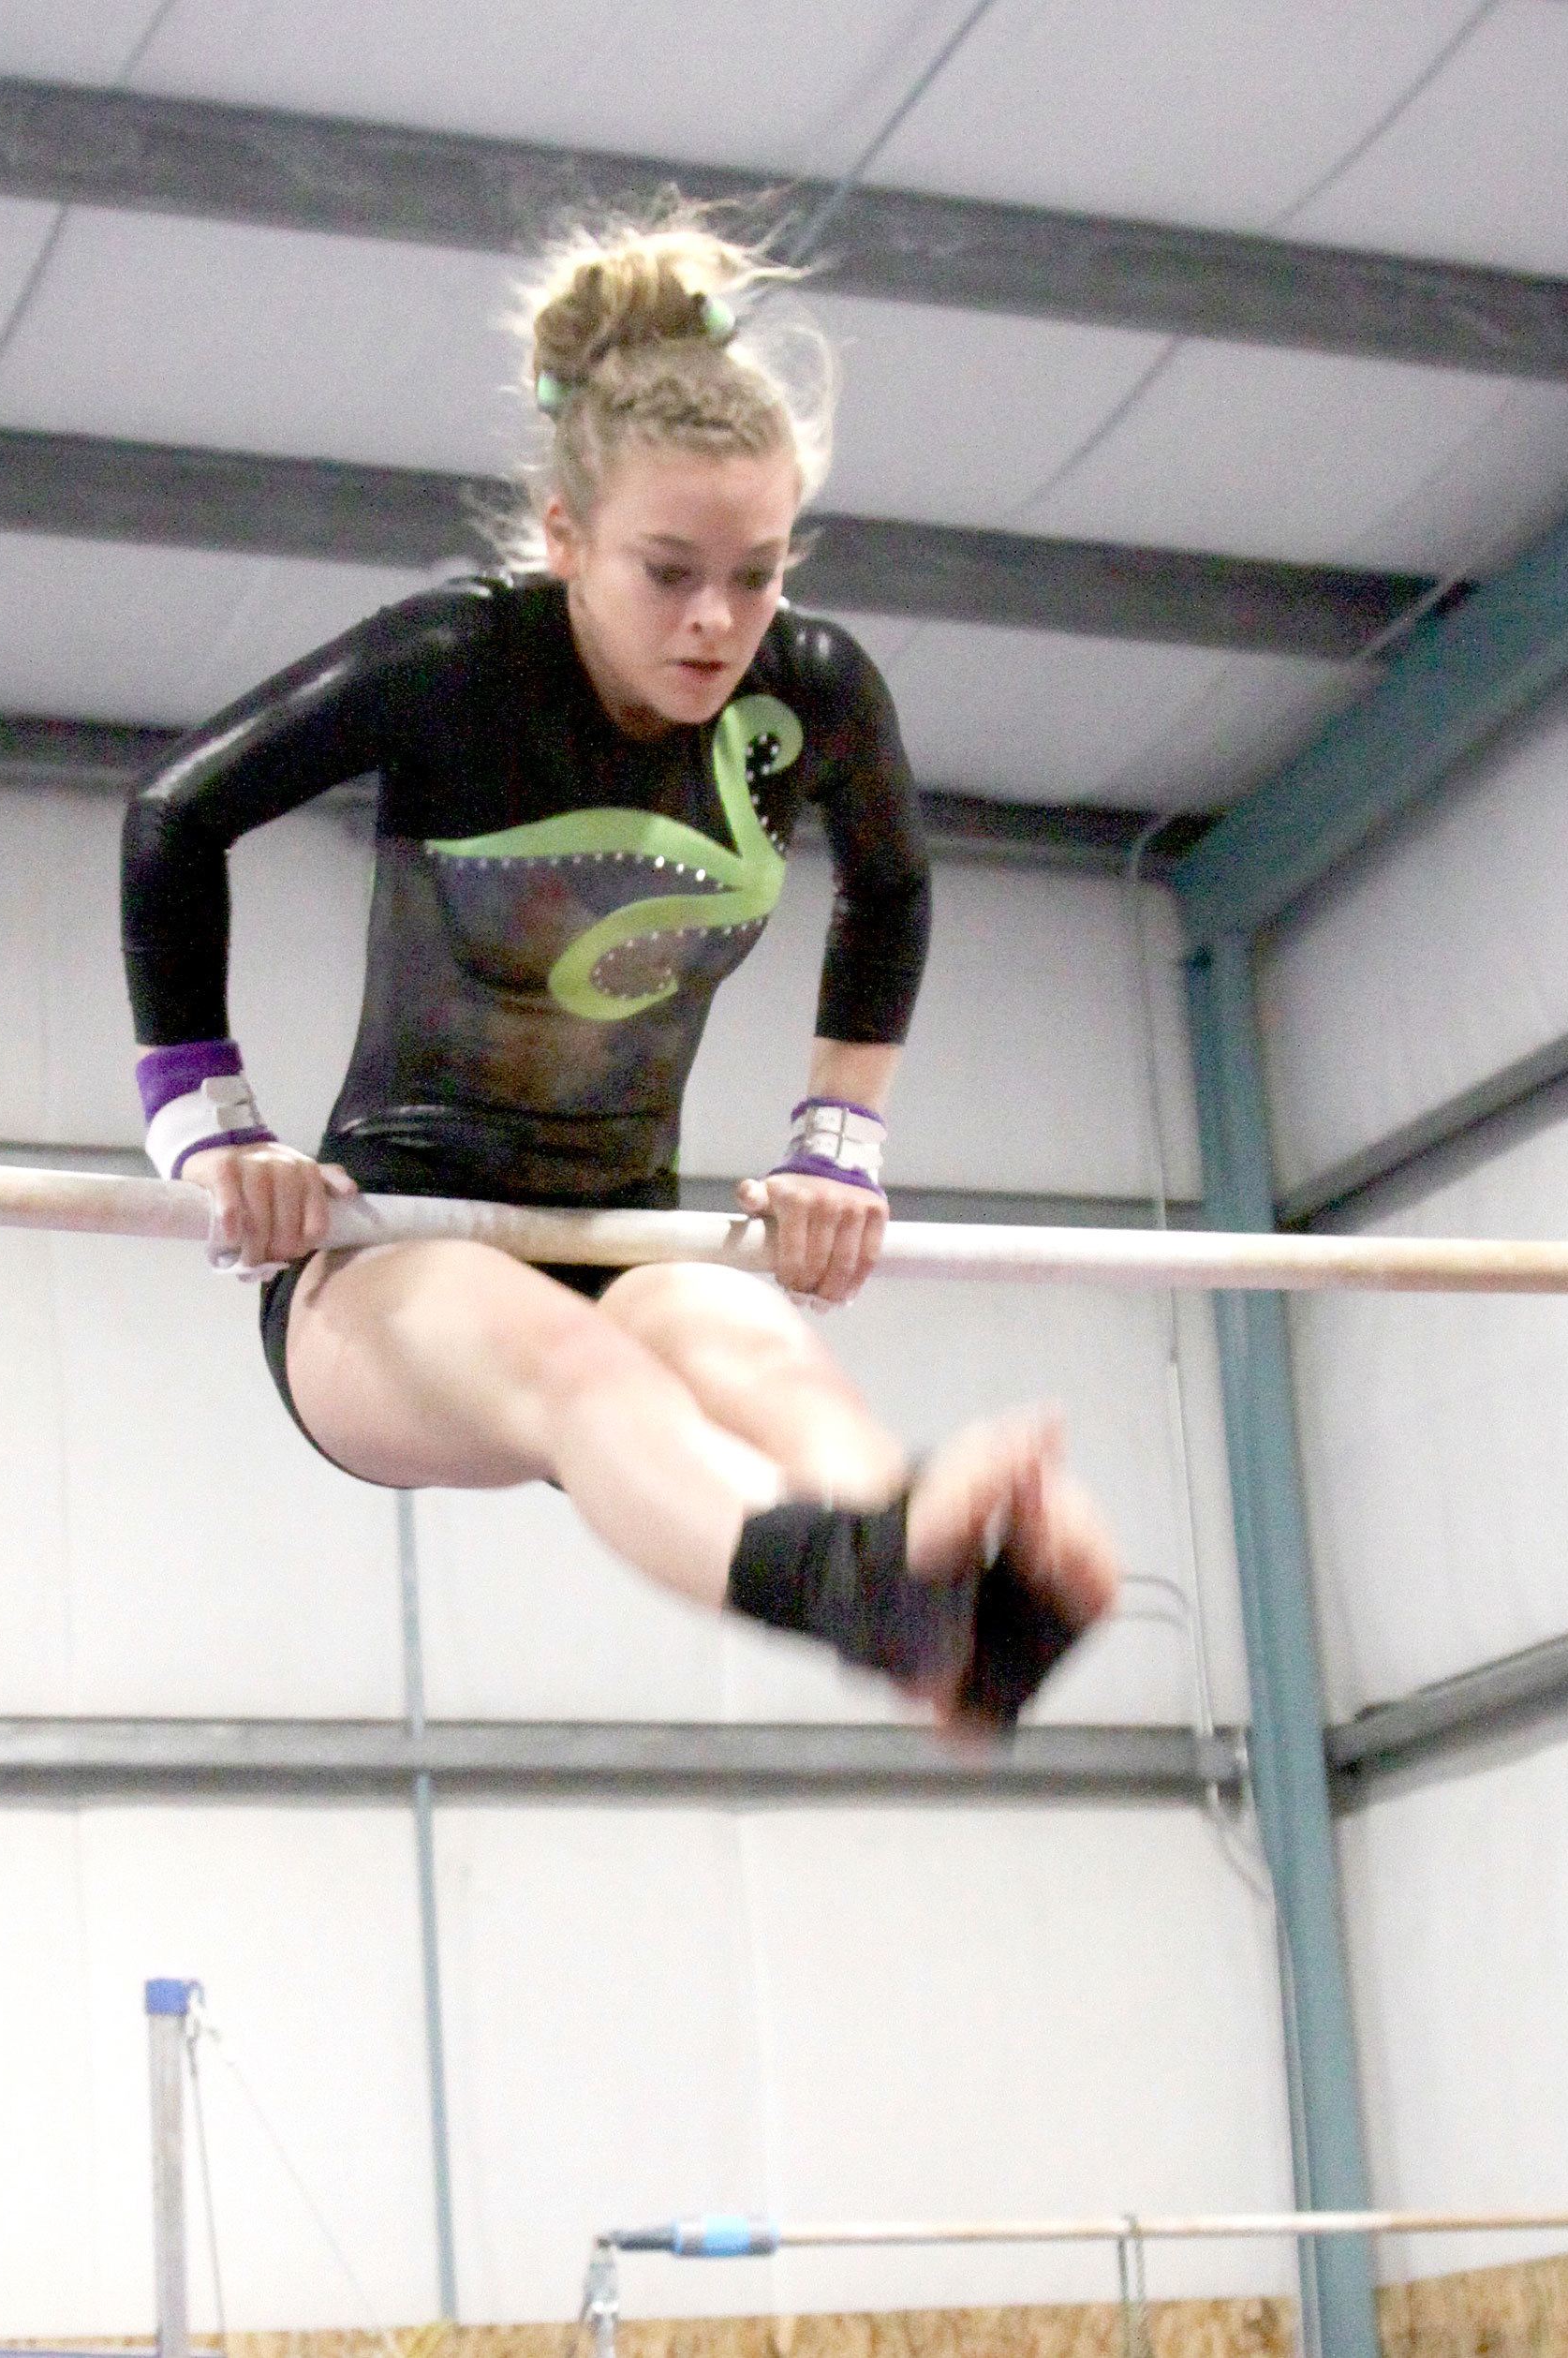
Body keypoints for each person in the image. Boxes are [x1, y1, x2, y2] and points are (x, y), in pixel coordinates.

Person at [121, 216, 1120, 1729]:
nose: (717, 621)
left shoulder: (812, 690)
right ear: (567, 537)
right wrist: (211, 1130)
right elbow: (175, 816)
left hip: (621, 1227)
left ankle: (956, 1621)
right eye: (668, 572)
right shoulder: (461, 661)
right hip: (389, 1249)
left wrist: (837, 1142)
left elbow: (895, 885)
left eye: (756, 575)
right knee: (582, 1373)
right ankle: (857, 1586)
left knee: (771, 1366)